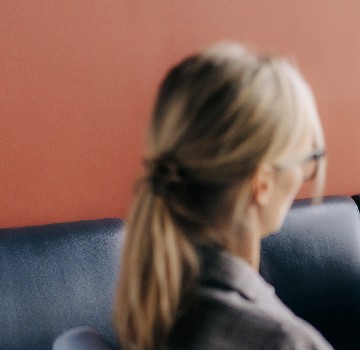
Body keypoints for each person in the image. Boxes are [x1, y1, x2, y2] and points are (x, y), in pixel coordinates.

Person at [113, 43, 332, 350]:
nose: (304, 178)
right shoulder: (285, 342)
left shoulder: (152, 306)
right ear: (262, 183)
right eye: (305, 160)